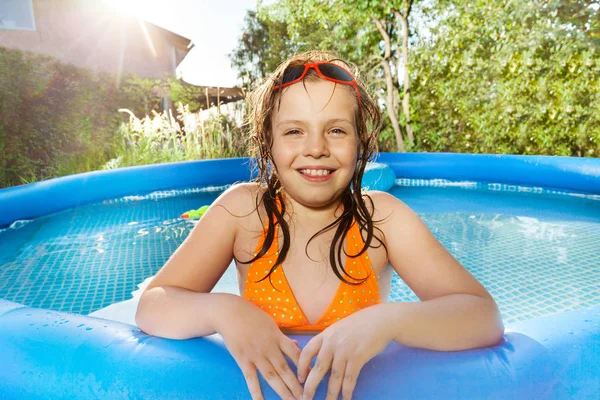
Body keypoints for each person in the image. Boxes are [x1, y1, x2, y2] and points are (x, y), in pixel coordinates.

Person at [135, 50, 504, 400]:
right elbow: (152, 306)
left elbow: (482, 317)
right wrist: (223, 311)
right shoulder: (244, 213)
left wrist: (389, 321)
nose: (316, 148)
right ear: (269, 142)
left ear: (361, 141)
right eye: (295, 131)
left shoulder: (382, 221)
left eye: (337, 131)